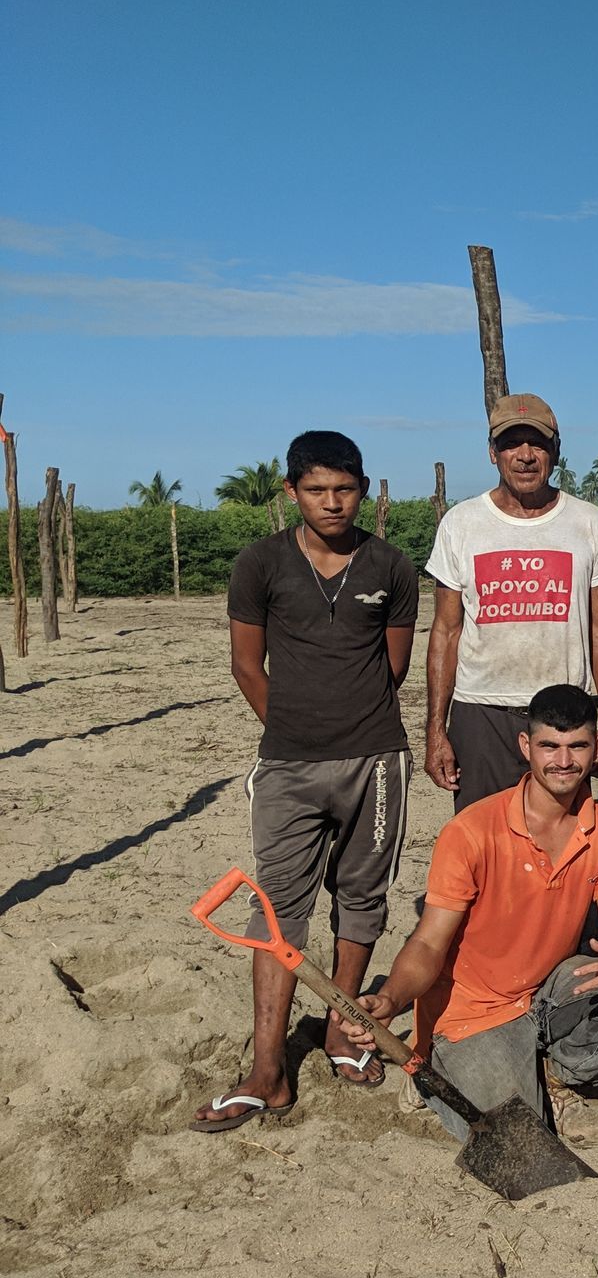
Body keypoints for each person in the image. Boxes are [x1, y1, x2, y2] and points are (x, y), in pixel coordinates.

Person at [193, 432, 417, 1130]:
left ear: (364, 490)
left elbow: (394, 667)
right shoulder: (260, 563)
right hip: (288, 766)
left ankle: (341, 1033)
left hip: (376, 761)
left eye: (344, 490)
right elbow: (245, 665)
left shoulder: (392, 565)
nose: (332, 502)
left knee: (361, 899)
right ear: (291, 492)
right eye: (317, 490)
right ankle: (268, 1069)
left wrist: (349, 729)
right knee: (277, 908)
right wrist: (293, 729)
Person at [338, 685, 598, 1142]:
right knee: (514, 1134)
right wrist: (391, 998)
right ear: (526, 747)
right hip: (472, 1011)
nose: (563, 761)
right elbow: (428, 943)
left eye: (577, 747)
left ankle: (553, 1074)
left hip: (543, 993)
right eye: (549, 745)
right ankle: (440, 1067)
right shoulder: (471, 831)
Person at [423, 392, 598, 811]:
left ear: (555, 450)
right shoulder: (462, 523)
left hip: (565, 712)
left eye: (537, 443)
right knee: (484, 842)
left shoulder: (587, 522)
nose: (526, 455)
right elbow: (446, 630)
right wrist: (436, 730)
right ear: (492, 452)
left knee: (563, 838)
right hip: (482, 711)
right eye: (512, 443)